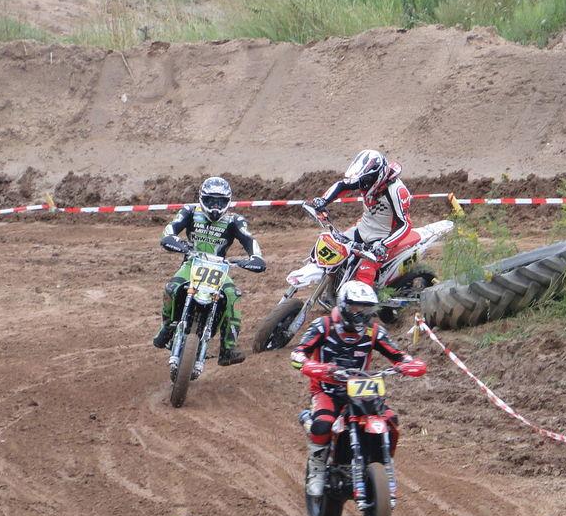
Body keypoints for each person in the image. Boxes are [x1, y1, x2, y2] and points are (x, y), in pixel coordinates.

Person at [290, 280, 426, 496]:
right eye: (356, 307)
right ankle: (316, 469)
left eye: (366, 308)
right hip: (327, 390)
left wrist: (409, 364)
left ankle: (381, 463)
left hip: (361, 390)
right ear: (344, 305)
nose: (361, 313)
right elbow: (298, 354)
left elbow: (398, 355)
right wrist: (313, 366)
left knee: (390, 420)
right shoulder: (324, 326)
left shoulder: (373, 332)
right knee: (323, 424)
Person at [152, 176, 266, 365]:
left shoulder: (235, 220)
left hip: (219, 268)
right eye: (210, 200)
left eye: (220, 202)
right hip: (192, 263)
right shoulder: (189, 211)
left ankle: (228, 348)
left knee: (233, 295)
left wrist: (256, 257)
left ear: (228, 201)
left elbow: (249, 240)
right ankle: (167, 328)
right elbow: (170, 229)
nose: (215, 206)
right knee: (171, 288)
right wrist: (172, 239)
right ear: (201, 198)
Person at [308, 149, 415, 286]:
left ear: (378, 174)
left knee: (364, 272)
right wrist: (323, 201)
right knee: (334, 252)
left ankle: (365, 299)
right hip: (363, 229)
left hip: (384, 239)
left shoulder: (397, 191)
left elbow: (405, 224)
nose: (362, 183)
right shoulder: (366, 179)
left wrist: (384, 245)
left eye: (366, 179)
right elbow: (342, 185)